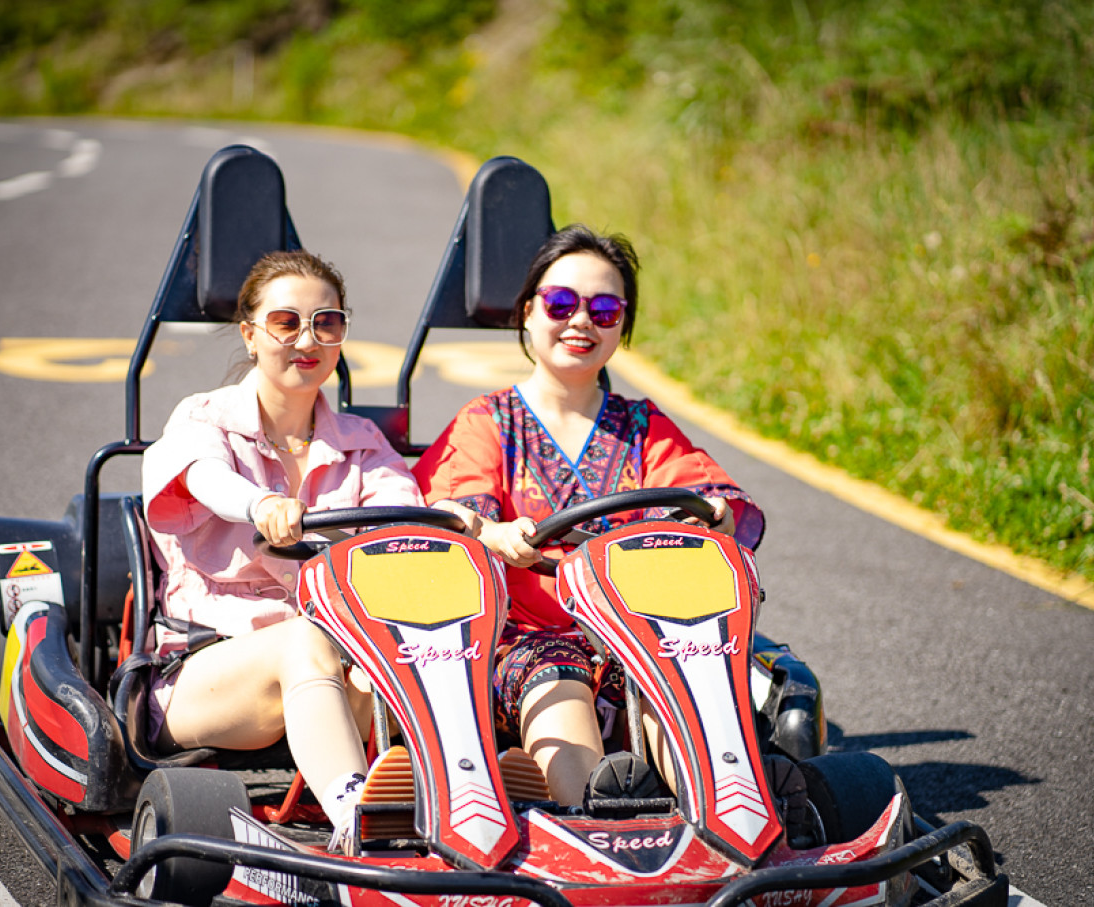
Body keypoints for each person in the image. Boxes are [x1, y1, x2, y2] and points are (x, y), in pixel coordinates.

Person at [412, 225, 765, 807]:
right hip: (520, 643)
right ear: (528, 313)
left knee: (676, 674)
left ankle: (725, 818)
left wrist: (720, 516)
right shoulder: (489, 421)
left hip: (637, 638)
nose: (581, 322)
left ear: (621, 327)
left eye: (603, 310)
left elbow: (712, 497)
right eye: (561, 304)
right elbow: (452, 514)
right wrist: (495, 534)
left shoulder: (642, 425)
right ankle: (595, 820)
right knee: (560, 679)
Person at [142, 250, 425, 842]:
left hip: (333, 661)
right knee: (303, 638)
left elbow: (406, 525)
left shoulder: (362, 442)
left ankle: (464, 798)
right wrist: (260, 505)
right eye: (286, 322)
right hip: (204, 672)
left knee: (412, 650)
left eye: (327, 323)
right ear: (250, 335)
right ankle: (358, 813)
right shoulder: (203, 420)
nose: (308, 339)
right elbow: (200, 478)